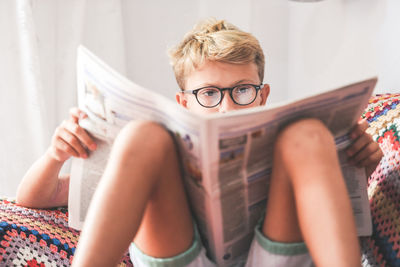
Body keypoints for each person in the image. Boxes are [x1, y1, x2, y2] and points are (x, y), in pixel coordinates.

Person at [16, 18, 383, 267]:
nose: (225, 106)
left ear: (262, 94)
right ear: (184, 102)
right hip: (175, 252)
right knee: (143, 137)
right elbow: (32, 200)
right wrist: (54, 155)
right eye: (208, 93)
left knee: (306, 135)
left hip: (274, 253)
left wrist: (357, 163)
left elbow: (339, 207)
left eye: (242, 90)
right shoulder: (151, 148)